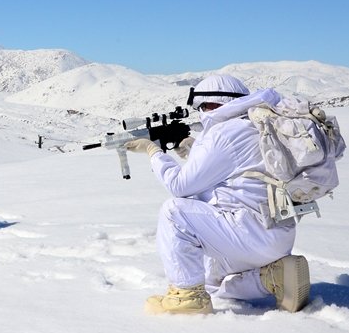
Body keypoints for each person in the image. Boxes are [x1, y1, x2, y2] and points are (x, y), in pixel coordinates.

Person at [123, 74, 310, 315]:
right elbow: (235, 175)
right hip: (276, 233)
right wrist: (193, 152)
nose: (201, 113)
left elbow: (179, 186)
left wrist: (154, 153)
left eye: (202, 107)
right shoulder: (256, 124)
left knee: (174, 212)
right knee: (212, 284)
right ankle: (271, 277)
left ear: (213, 103)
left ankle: (187, 298)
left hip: (248, 232)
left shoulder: (224, 133)